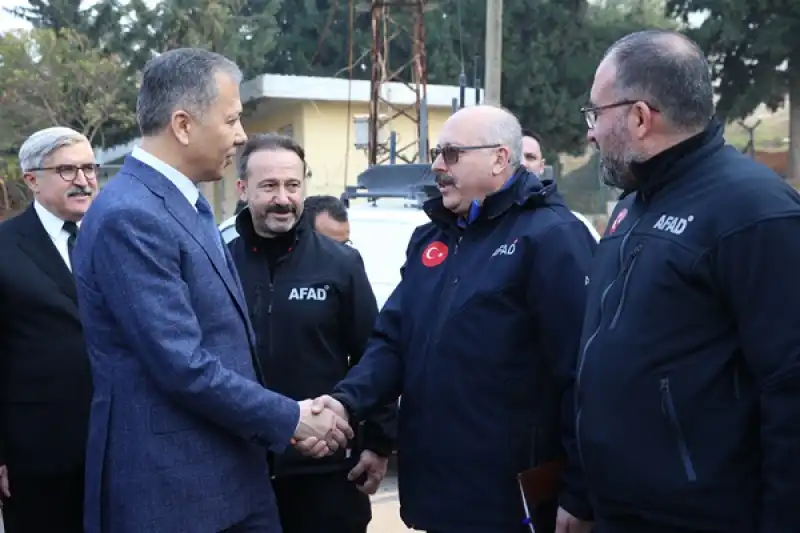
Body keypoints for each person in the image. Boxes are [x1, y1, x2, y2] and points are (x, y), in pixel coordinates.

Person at [72, 48, 351, 533]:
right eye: (232, 119)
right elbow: (181, 364)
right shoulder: (131, 215)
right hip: (175, 491)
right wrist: (290, 418)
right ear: (183, 125)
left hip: (230, 476)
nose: (241, 135)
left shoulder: (184, 204)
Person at [306, 104, 596, 533]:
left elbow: (581, 372)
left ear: (500, 158)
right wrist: (346, 402)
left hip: (510, 498)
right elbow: (393, 338)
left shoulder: (551, 235)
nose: (437, 166)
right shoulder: (430, 238)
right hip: (439, 492)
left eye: (452, 154)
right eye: (438, 152)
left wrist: (579, 491)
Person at [575, 29, 800, 533]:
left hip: (703, 517)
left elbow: (790, 386)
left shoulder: (754, 212)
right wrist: (582, 491)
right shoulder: (633, 205)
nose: (590, 132)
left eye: (595, 113)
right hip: (619, 511)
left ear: (638, 117)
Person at [228, 133, 397, 533]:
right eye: (269, 186)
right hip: (242, 470)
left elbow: (376, 354)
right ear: (242, 188)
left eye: (292, 185)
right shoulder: (219, 264)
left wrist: (377, 443)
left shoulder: (341, 263)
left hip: (327, 472)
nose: (283, 198)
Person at [0, 127, 97, 532]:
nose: (83, 179)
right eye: (67, 169)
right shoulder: (5, 247)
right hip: (37, 455)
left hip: (119, 445)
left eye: (90, 168)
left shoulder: (117, 236)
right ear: (32, 179)